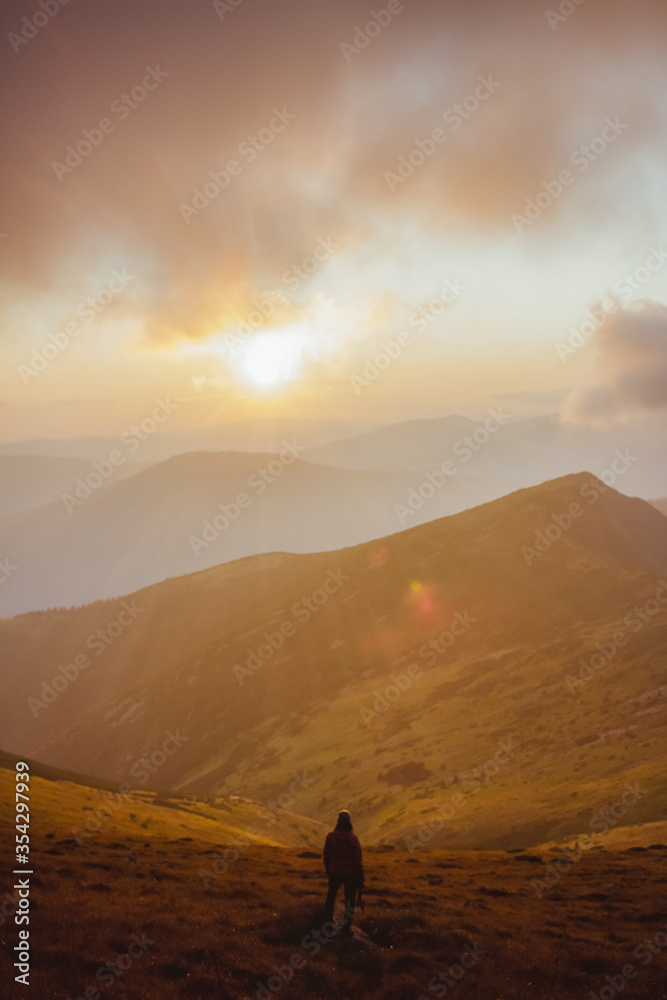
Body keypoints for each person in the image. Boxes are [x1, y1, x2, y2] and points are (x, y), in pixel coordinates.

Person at [323, 809, 364, 935]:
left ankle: (327, 922)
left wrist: (328, 869)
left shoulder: (331, 837)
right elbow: (358, 860)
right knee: (349, 900)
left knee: (331, 897)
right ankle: (346, 928)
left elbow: (326, 855)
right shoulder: (353, 839)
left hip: (334, 871)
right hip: (350, 874)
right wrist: (360, 877)